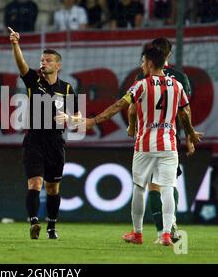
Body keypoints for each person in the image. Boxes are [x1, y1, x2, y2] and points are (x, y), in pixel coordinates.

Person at [84, 47, 202, 246]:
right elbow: (184, 114)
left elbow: (120, 106)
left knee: (139, 188)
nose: (141, 66)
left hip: (144, 146)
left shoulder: (141, 85)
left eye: (143, 62)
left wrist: (94, 121)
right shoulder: (177, 85)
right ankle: (166, 233)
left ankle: (137, 233)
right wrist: (191, 134)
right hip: (169, 144)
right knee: (167, 188)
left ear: (149, 64)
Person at [8, 27, 81, 240]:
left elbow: (78, 117)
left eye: (48, 60)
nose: (43, 63)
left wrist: (68, 119)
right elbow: (21, 65)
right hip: (34, 139)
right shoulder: (33, 81)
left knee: (52, 187)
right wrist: (15, 44)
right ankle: (33, 222)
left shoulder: (66, 89)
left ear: (58, 65)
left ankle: (51, 227)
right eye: (42, 60)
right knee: (34, 183)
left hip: (55, 142)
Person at [128, 38, 193, 244]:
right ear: (169, 55)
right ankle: (169, 227)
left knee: (150, 187)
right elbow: (185, 110)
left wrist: (132, 126)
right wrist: (190, 137)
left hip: (147, 139)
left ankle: (159, 233)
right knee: (168, 185)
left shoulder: (142, 77)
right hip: (170, 138)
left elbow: (132, 107)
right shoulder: (180, 78)